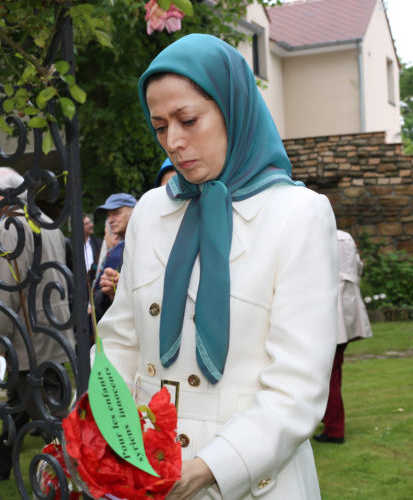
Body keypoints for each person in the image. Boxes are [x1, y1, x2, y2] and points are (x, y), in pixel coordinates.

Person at [96, 34, 338, 499]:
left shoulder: (298, 215)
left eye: (188, 120)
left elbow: (297, 388)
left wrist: (209, 467)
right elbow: (119, 343)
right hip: (144, 472)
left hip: (250, 479)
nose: (174, 141)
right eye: (160, 125)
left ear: (232, 108)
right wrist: (113, 430)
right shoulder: (149, 211)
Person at [0, 167, 75, 481]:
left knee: (49, 418)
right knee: (22, 408)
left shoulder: (10, 226)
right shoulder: (47, 224)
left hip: (29, 342)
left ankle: (69, 473)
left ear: (7, 195)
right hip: (56, 334)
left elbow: (3, 294)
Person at [314, 230, 372, 444]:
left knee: (329, 374)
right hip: (348, 308)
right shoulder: (346, 237)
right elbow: (358, 268)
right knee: (333, 369)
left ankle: (334, 429)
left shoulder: (321, 236)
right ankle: (328, 418)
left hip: (331, 310)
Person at [92, 193, 136, 321]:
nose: (110, 220)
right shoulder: (122, 246)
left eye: (116, 213)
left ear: (135, 212)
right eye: (108, 215)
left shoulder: (139, 244)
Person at [83, 213, 102, 283]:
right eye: (87, 223)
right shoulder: (71, 245)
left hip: (95, 283)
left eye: (90, 222)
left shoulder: (98, 243)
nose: (91, 225)